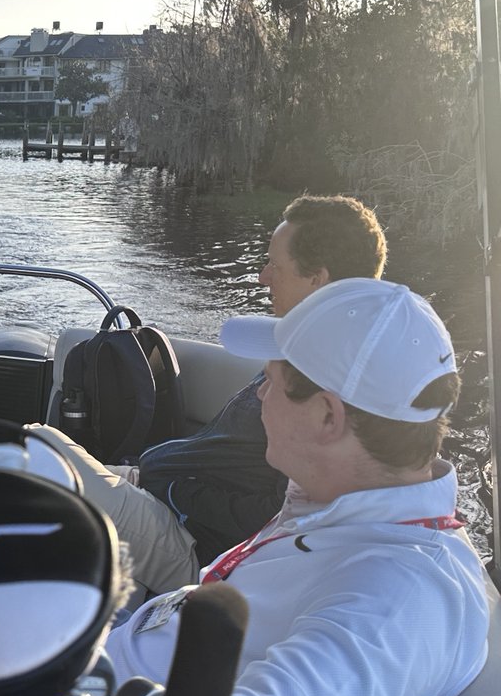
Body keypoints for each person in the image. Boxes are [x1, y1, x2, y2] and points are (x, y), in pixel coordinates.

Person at [105, 278, 490, 696]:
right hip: (117, 661)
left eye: (269, 380)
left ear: (328, 416)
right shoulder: (338, 502)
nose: (259, 395)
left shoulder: (399, 596)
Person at [30, 194, 388, 591]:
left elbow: (273, 516)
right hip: (160, 491)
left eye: (275, 265)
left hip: (195, 547)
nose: (262, 277)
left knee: (32, 452)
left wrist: (175, 491)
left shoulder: (324, 386)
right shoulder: (304, 349)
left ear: (316, 279)